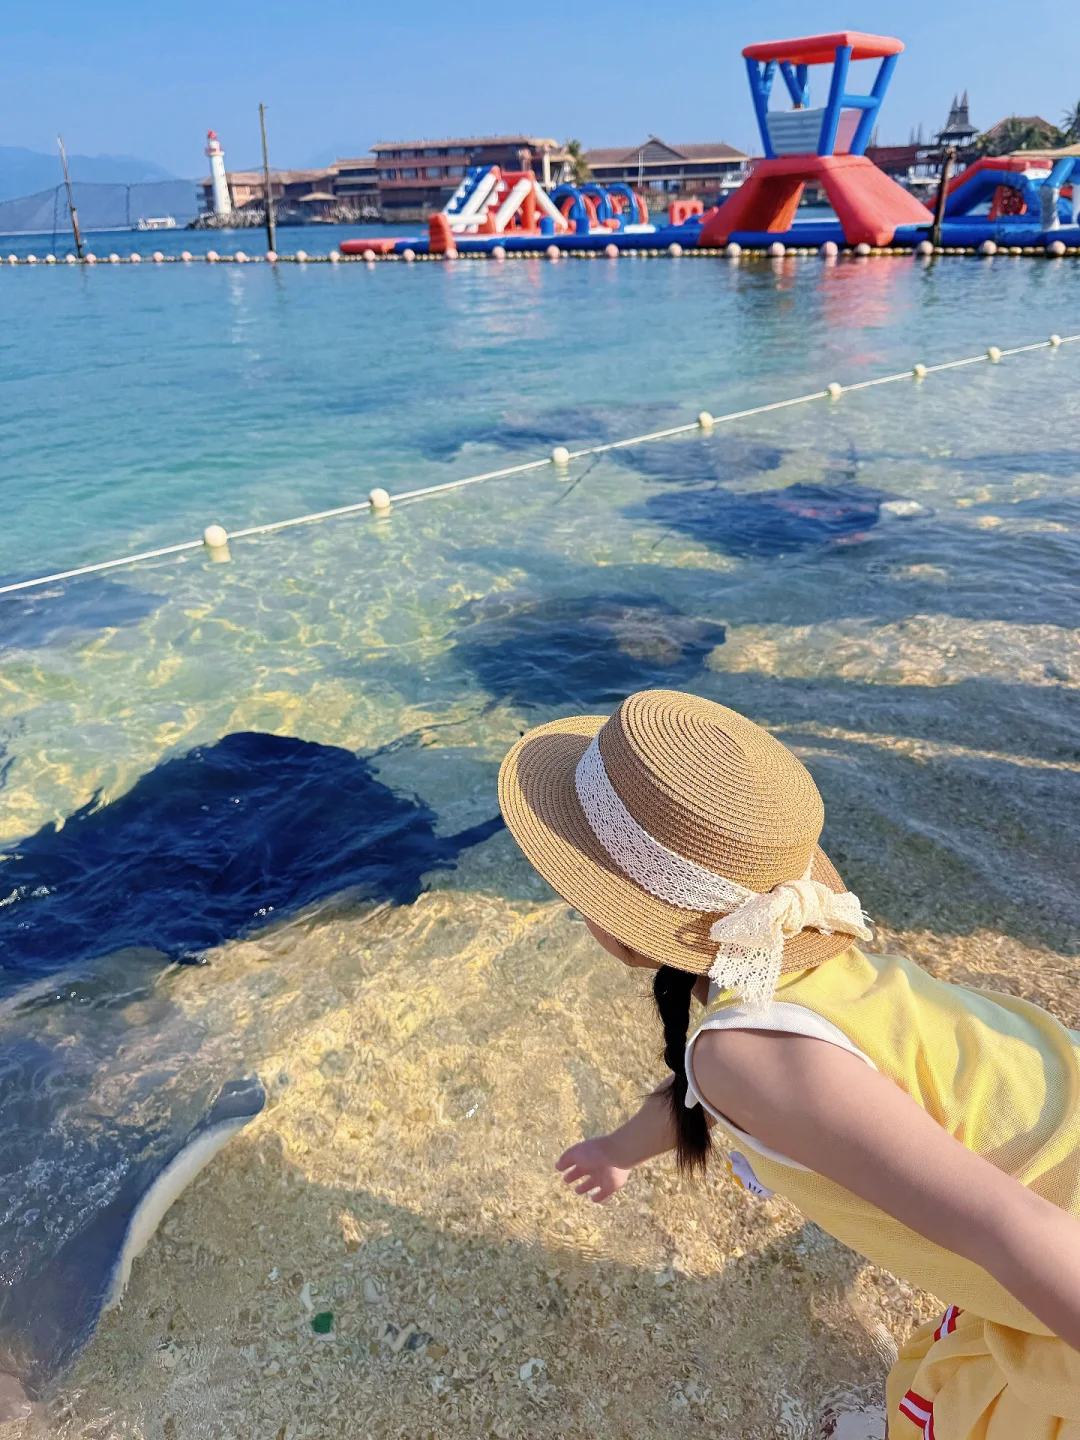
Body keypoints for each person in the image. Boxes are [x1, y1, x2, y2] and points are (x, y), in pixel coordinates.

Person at [498, 688, 1080, 1439]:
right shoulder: (812, 988)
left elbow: (1011, 1228)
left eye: (581, 890)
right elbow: (706, 1098)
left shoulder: (745, 1054)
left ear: (624, 926)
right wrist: (617, 1151)